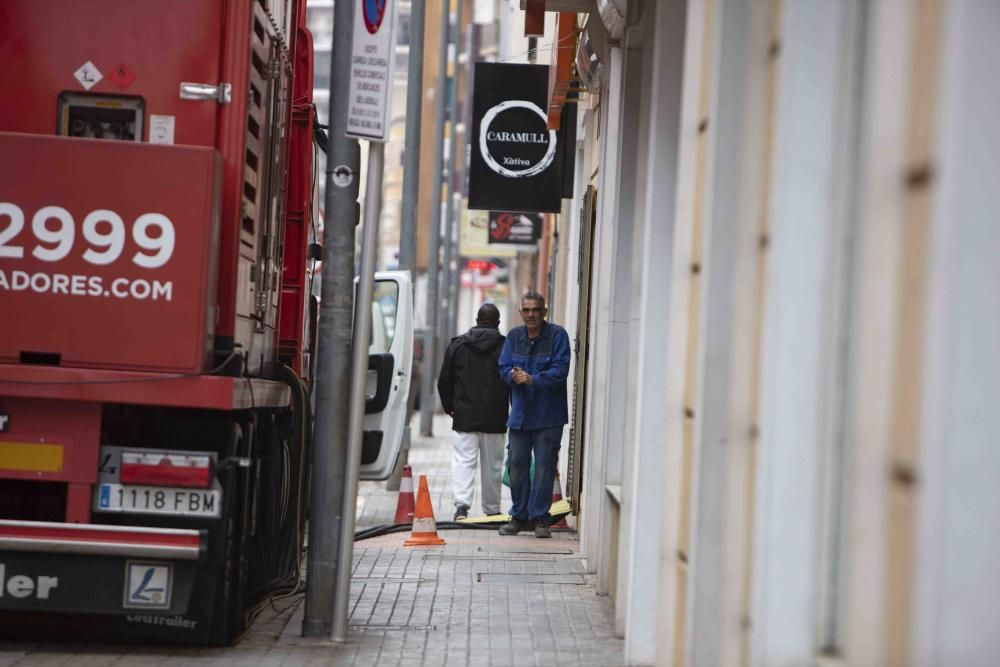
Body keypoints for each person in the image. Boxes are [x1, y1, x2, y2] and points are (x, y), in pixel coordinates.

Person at [497, 290, 570, 538]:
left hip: (549, 416)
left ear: (544, 312)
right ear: (521, 312)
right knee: (516, 463)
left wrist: (532, 379)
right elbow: (503, 366)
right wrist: (512, 376)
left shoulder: (558, 336)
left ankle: (540, 518)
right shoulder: (514, 337)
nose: (531, 315)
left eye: (535, 310)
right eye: (526, 310)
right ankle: (519, 516)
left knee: (544, 467)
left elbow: (561, 370)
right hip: (520, 415)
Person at [437, 303, 510, 521]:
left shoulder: (457, 345)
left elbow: (444, 381)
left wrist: (450, 407)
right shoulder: (506, 346)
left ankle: (461, 507)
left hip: (465, 416)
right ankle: (492, 510)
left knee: (463, 462)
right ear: (497, 323)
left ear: (476, 320)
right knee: (493, 466)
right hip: (495, 417)